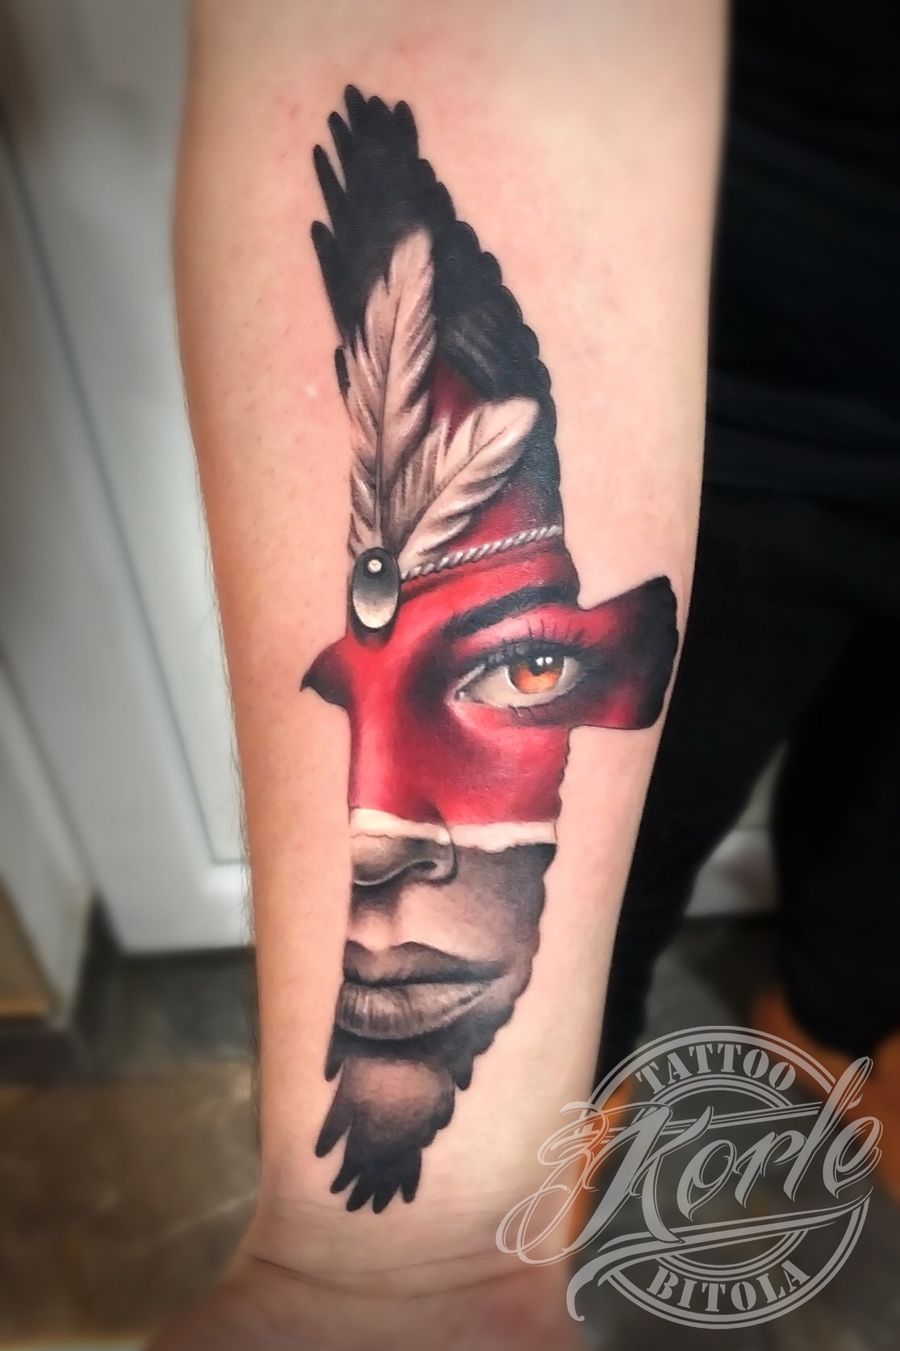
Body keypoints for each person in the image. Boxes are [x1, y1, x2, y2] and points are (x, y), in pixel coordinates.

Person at [156, 0, 723, 1345]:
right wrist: (410, 1265)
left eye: (516, 670)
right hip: (699, 389)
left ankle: (823, 1018)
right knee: (648, 877)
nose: (379, 844)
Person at [598, 0, 900, 1202]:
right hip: (731, 393)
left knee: (888, 799)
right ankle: (551, 1100)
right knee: (607, 828)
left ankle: (832, 1017)